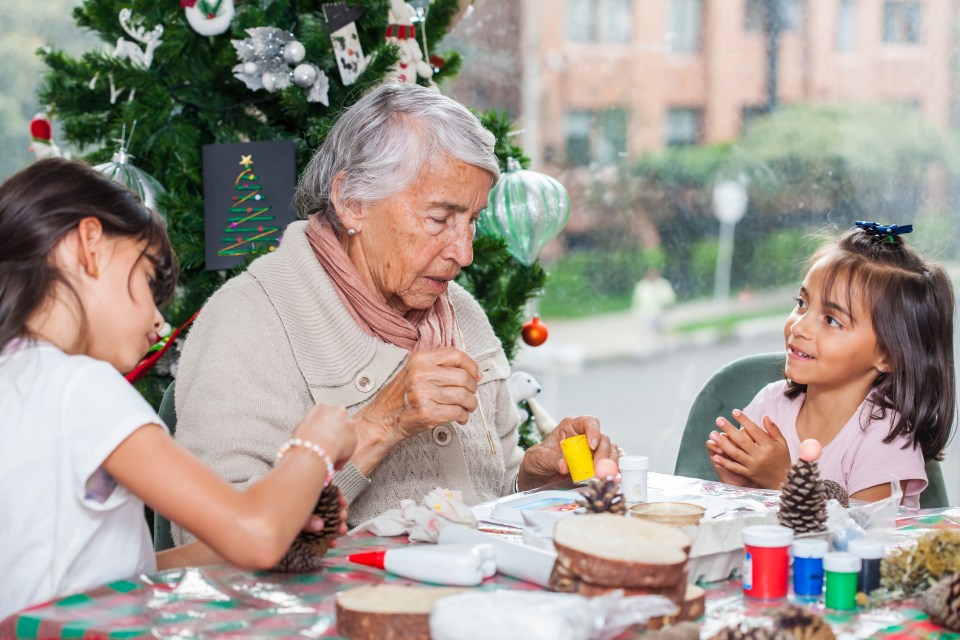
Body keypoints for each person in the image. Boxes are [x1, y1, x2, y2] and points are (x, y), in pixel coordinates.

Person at [171, 82, 620, 538]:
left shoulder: (461, 313)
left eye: (473, 220)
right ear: (352, 203)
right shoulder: (249, 320)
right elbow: (209, 540)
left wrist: (530, 481)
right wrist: (382, 423)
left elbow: (483, 502)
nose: (464, 253)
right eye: (440, 219)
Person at [0, 158, 357, 618]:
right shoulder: (79, 387)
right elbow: (256, 537)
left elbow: (99, 575)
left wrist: (279, 513)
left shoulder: (21, 379)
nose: (158, 320)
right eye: (149, 280)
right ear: (90, 245)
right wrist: (317, 442)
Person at [706, 222, 955, 507]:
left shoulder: (886, 439)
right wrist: (741, 485)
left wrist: (785, 480)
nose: (799, 326)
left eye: (832, 320)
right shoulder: (769, 405)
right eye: (802, 303)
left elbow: (864, 540)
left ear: (888, 356)